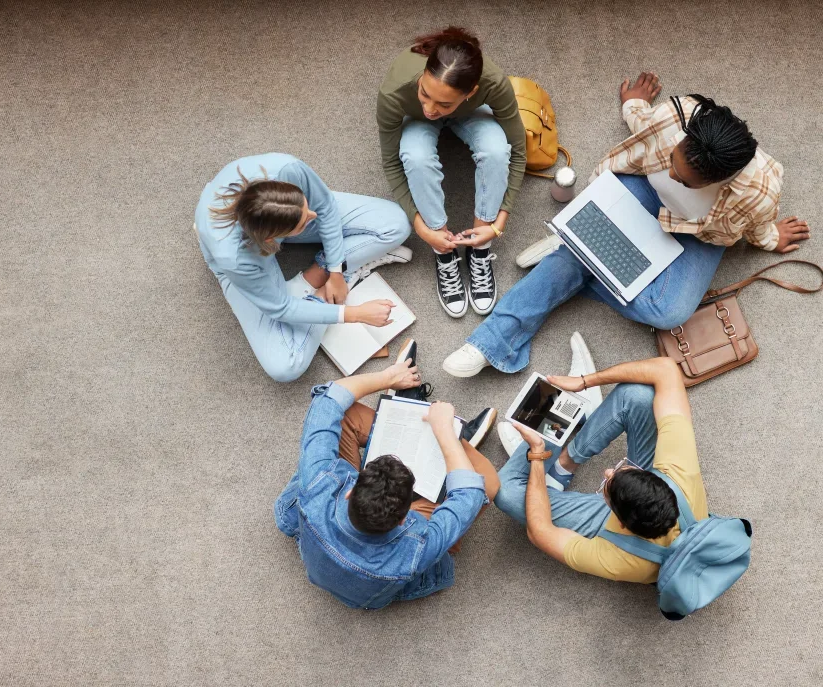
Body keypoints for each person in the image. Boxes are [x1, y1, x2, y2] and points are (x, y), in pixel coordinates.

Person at [444, 73, 808, 377]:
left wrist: (770, 237)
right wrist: (633, 104)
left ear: (718, 180)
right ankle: (492, 340)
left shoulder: (759, 192)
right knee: (588, 260)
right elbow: (644, 126)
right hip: (639, 191)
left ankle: (576, 251)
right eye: (672, 161)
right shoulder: (676, 117)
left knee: (668, 312)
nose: (671, 174)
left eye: (684, 180)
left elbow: (756, 224)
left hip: (699, 232)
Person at [274, 349, 500, 609]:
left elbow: (329, 400)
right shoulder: (414, 550)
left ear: (350, 491)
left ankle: (409, 417)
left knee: (345, 414)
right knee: (487, 480)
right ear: (405, 518)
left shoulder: (319, 484)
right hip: (385, 584)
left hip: (315, 537)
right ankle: (449, 440)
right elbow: (472, 494)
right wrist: (445, 432)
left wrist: (388, 377)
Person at [196, 153, 412, 382]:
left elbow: (325, 207)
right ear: (273, 238)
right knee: (286, 366)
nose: (313, 215)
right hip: (247, 258)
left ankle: (320, 273)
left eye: (305, 205)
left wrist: (336, 270)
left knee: (397, 224)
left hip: (278, 223)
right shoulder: (234, 259)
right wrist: (354, 314)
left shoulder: (287, 169)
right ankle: (321, 293)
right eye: (304, 221)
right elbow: (281, 308)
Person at [494, 356, 707, 585]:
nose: (607, 471)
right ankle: (562, 466)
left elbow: (539, 533)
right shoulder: (679, 469)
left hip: (637, 543)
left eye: (607, 486)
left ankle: (549, 440)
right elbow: (665, 368)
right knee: (638, 395)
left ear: (620, 523)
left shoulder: (620, 559)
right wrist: (585, 381)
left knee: (506, 492)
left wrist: (537, 452)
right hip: (657, 506)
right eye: (621, 469)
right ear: (657, 477)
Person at [378, 26, 527, 318]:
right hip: (415, 122)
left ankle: (480, 244)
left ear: (471, 92)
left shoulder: (493, 83)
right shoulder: (394, 93)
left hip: (470, 113)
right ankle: (442, 248)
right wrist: (422, 229)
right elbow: (391, 163)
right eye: (425, 93)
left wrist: (497, 225)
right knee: (415, 158)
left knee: (497, 152)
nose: (430, 108)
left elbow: (518, 151)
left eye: (442, 103)